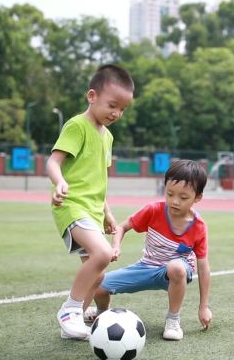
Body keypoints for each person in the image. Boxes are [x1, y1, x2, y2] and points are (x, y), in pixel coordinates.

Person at [46, 64, 135, 340]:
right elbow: (53, 161)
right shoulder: (77, 125)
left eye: (122, 109)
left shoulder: (107, 136)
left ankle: (70, 326)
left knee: (98, 275)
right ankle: (70, 310)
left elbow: (98, 181)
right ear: (92, 96)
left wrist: (108, 213)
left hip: (94, 211)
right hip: (72, 205)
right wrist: (59, 181)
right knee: (103, 254)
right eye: (112, 105)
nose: (116, 113)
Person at [91, 159, 212, 341]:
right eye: (170, 194)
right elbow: (122, 227)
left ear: (198, 198)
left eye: (183, 197)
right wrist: (115, 246)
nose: (175, 201)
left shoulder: (199, 226)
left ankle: (173, 320)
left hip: (174, 272)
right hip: (147, 266)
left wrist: (203, 306)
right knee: (98, 287)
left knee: (176, 267)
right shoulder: (153, 210)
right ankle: (101, 314)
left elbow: (203, 267)